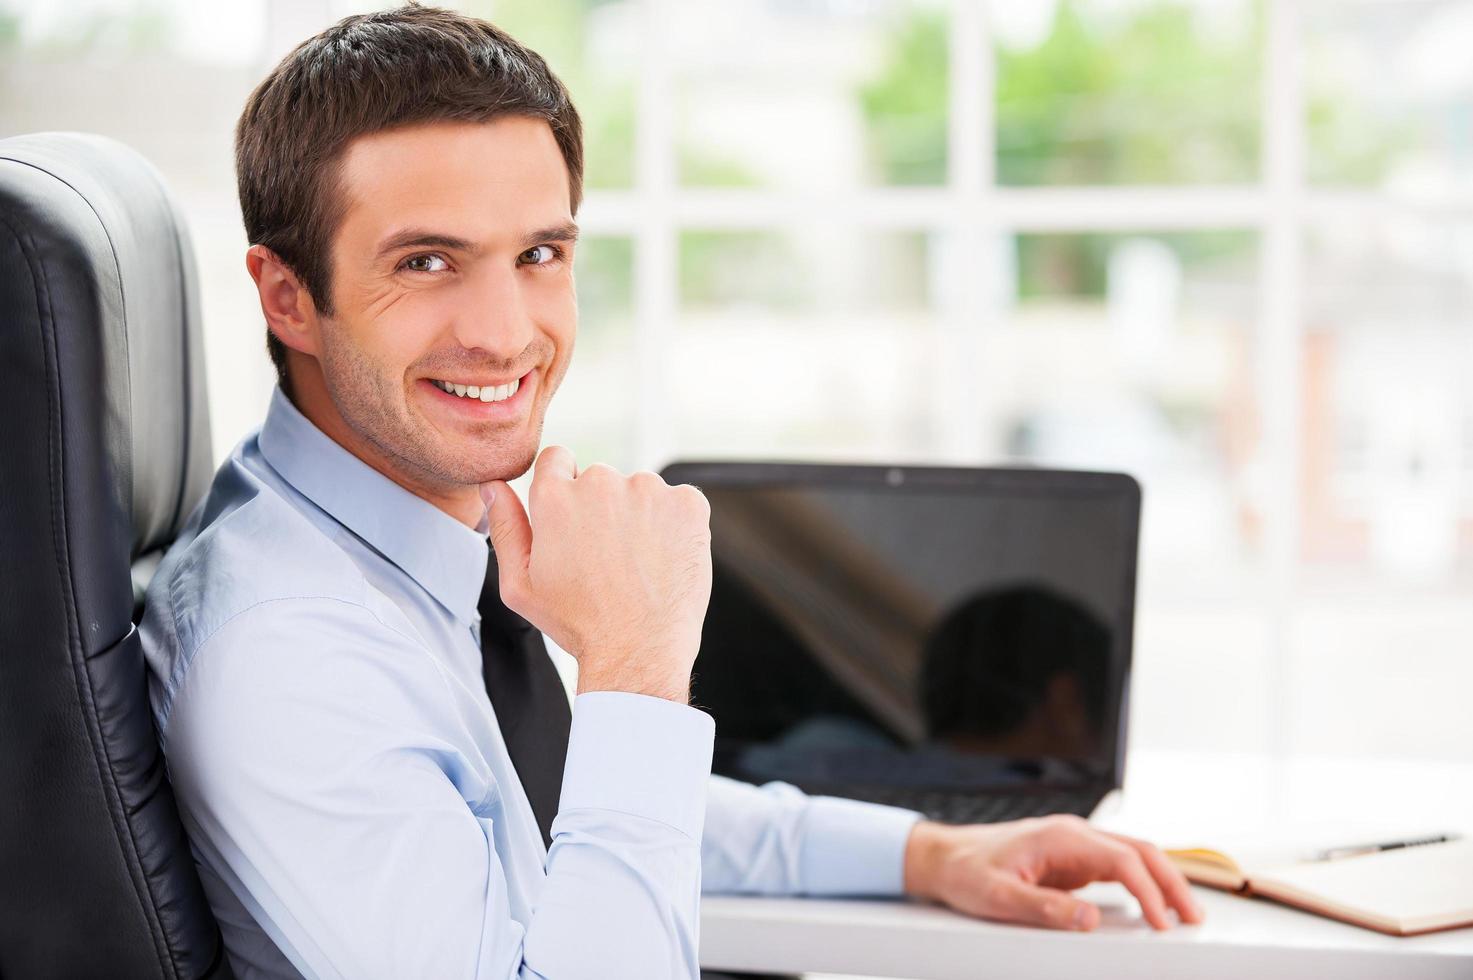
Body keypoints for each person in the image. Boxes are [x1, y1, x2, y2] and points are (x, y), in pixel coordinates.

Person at [139, 5, 1203, 978]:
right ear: (288, 296)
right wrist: (635, 660)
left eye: (539, 253)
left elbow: (577, 807)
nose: (505, 331)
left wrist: (930, 851)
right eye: (427, 263)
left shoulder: (393, 542)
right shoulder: (293, 652)